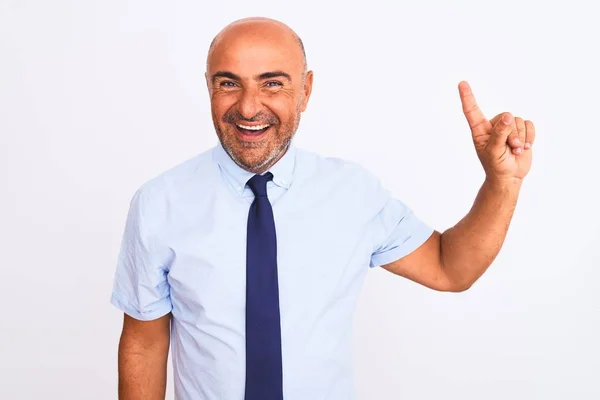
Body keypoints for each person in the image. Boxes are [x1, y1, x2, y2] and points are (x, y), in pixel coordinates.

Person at [110, 16, 535, 400]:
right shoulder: (159, 203)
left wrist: (502, 183)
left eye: (272, 83)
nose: (248, 106)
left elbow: (449, 267)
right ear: (208, 86)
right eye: (228, 83)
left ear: (306, 90)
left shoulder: (352, 192)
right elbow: (145, 341)